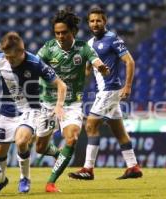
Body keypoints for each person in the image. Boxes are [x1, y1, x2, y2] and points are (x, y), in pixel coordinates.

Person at [0, 32, 66, 195]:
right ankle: (0, 180)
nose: (8, 60)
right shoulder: (0, 59)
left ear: (22, 52)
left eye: (12, 58)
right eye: (6, 57)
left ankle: (24, 178)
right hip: (7, 112)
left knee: (21, 142)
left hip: (31, 110)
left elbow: (61, 85)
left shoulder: (35, 63)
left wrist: (59, 106)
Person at [35, 8, 109, 192]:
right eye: (57, 33)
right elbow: (33, 64)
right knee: (40, 148)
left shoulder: (83, 47)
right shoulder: (48, 48)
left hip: (72, 103)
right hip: (48, 103)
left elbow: (95, 60)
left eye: (64, 32)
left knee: (72, 138)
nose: (60, 36)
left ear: (73, 31)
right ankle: (57, 154)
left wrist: (101, 67)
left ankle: (51, 182)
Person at [68, 7, 143, 180]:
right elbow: (86, 70)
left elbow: (129, 62)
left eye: (98, 20)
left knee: (91, 126)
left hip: (110, 89)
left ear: (105, 21)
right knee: (119, 131)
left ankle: (88, 169)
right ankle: (133, 167)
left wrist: (128, 86)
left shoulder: (112, 39)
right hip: (104, 91)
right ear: (88, 23)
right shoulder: (89, 44)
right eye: (92, 21)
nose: (95, 23)